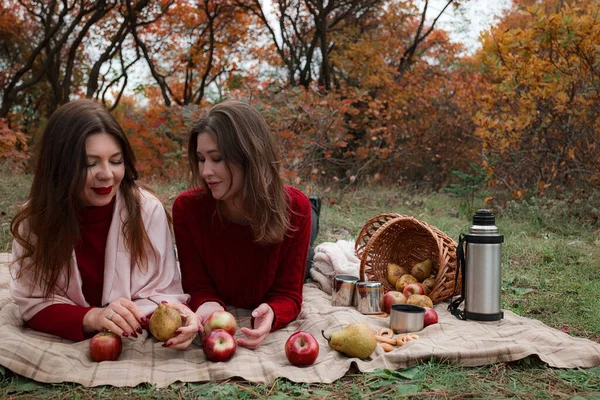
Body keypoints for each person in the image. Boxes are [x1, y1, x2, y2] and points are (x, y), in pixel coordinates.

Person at [10, 99, 197, 350]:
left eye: (116, 160)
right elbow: (33, 303)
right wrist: (93, 317)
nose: (107, 174)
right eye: (90, 163)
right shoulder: (36, 220)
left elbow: (165, 291)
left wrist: (179, 315)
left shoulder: (148, 211)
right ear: (60, 167)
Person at [173, 100, 313, 349]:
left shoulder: (295, 209)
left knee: (310, 250)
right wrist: (208, 304)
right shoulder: (187, 209)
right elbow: (197, 284)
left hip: (281, 215)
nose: (205, 171)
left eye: (216, 158)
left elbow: (289, 293)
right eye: (201, 159)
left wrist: (273, 311)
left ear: (249, 157)